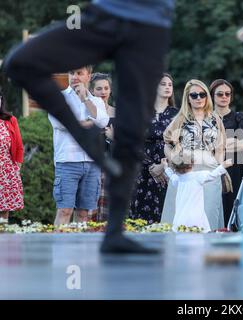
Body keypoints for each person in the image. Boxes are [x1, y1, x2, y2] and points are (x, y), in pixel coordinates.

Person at [4, 0, 174, 253]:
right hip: (105, 16)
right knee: (20, 62)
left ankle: (114, 234)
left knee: (131, 130)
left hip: (148, 25)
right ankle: (81, 134)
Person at [162, 79, 226, 231]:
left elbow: (220, 147)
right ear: (188, 98)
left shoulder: (215, 118)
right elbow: (167, 143)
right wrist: (175, 162)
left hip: (210, 170)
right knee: (182, 216)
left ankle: (207, 252)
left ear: (207, 96)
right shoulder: (180, 118)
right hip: (185, 169)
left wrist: (219, 165)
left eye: (202, 94)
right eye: (194, 95)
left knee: (208, 213)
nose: (198, 98)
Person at [49, 66, 109, 226]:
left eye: (79, 73)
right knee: (64, 211)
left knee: (84, 213)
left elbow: (102, 122)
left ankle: (79, 251)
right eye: (71, 72)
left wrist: (85, 100)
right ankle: (60, 250)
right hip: (67, 162)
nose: (74, 76)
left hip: (91, 163)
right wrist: (88, 123)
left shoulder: (96, 101)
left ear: (88, 76)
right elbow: (60, 123)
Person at [129, 73, 178, 223]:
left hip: (168, 170)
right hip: (142, 171)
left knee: (167, 215)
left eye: (170, 84)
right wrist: (151, 166)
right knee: (141, 218)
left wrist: (164, 166)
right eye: (163, 84)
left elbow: (180, 143)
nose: (167, 87)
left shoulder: (177, 114)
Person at [209, 79, 243, 228]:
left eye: (227, 94)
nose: (224, 97)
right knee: (214, 203)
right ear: (212, 96)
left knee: (233, 204)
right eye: (220, 94)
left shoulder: (239, 117)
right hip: (212, 166)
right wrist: (231, 142)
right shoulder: (207, 118)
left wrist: (218, 145)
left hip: (235, 166)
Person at [162, 156, 233, 232]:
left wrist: (166, 167)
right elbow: (212, 175)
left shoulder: (178, 179)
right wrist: (223, 165)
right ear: (192, 163)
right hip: (196, 218)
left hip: (181, 217)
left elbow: (171, 175)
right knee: (198, 239)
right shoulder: (198, 176)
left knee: (181, 239)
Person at [90, 72, 115, 221]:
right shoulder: (86, 110)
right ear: (92, 91)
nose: (103, 92)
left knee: (107, 208)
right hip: (91, 160)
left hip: (111, 162)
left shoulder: (116, 112)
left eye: (106, 88)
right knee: (89, 207)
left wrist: (112, 137)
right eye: (99, 89)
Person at [0, 87, 24, 223]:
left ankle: (3, 241)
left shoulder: (10, 120)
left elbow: (19, 146)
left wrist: (16, 168)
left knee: (4, 212)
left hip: (6, 171)